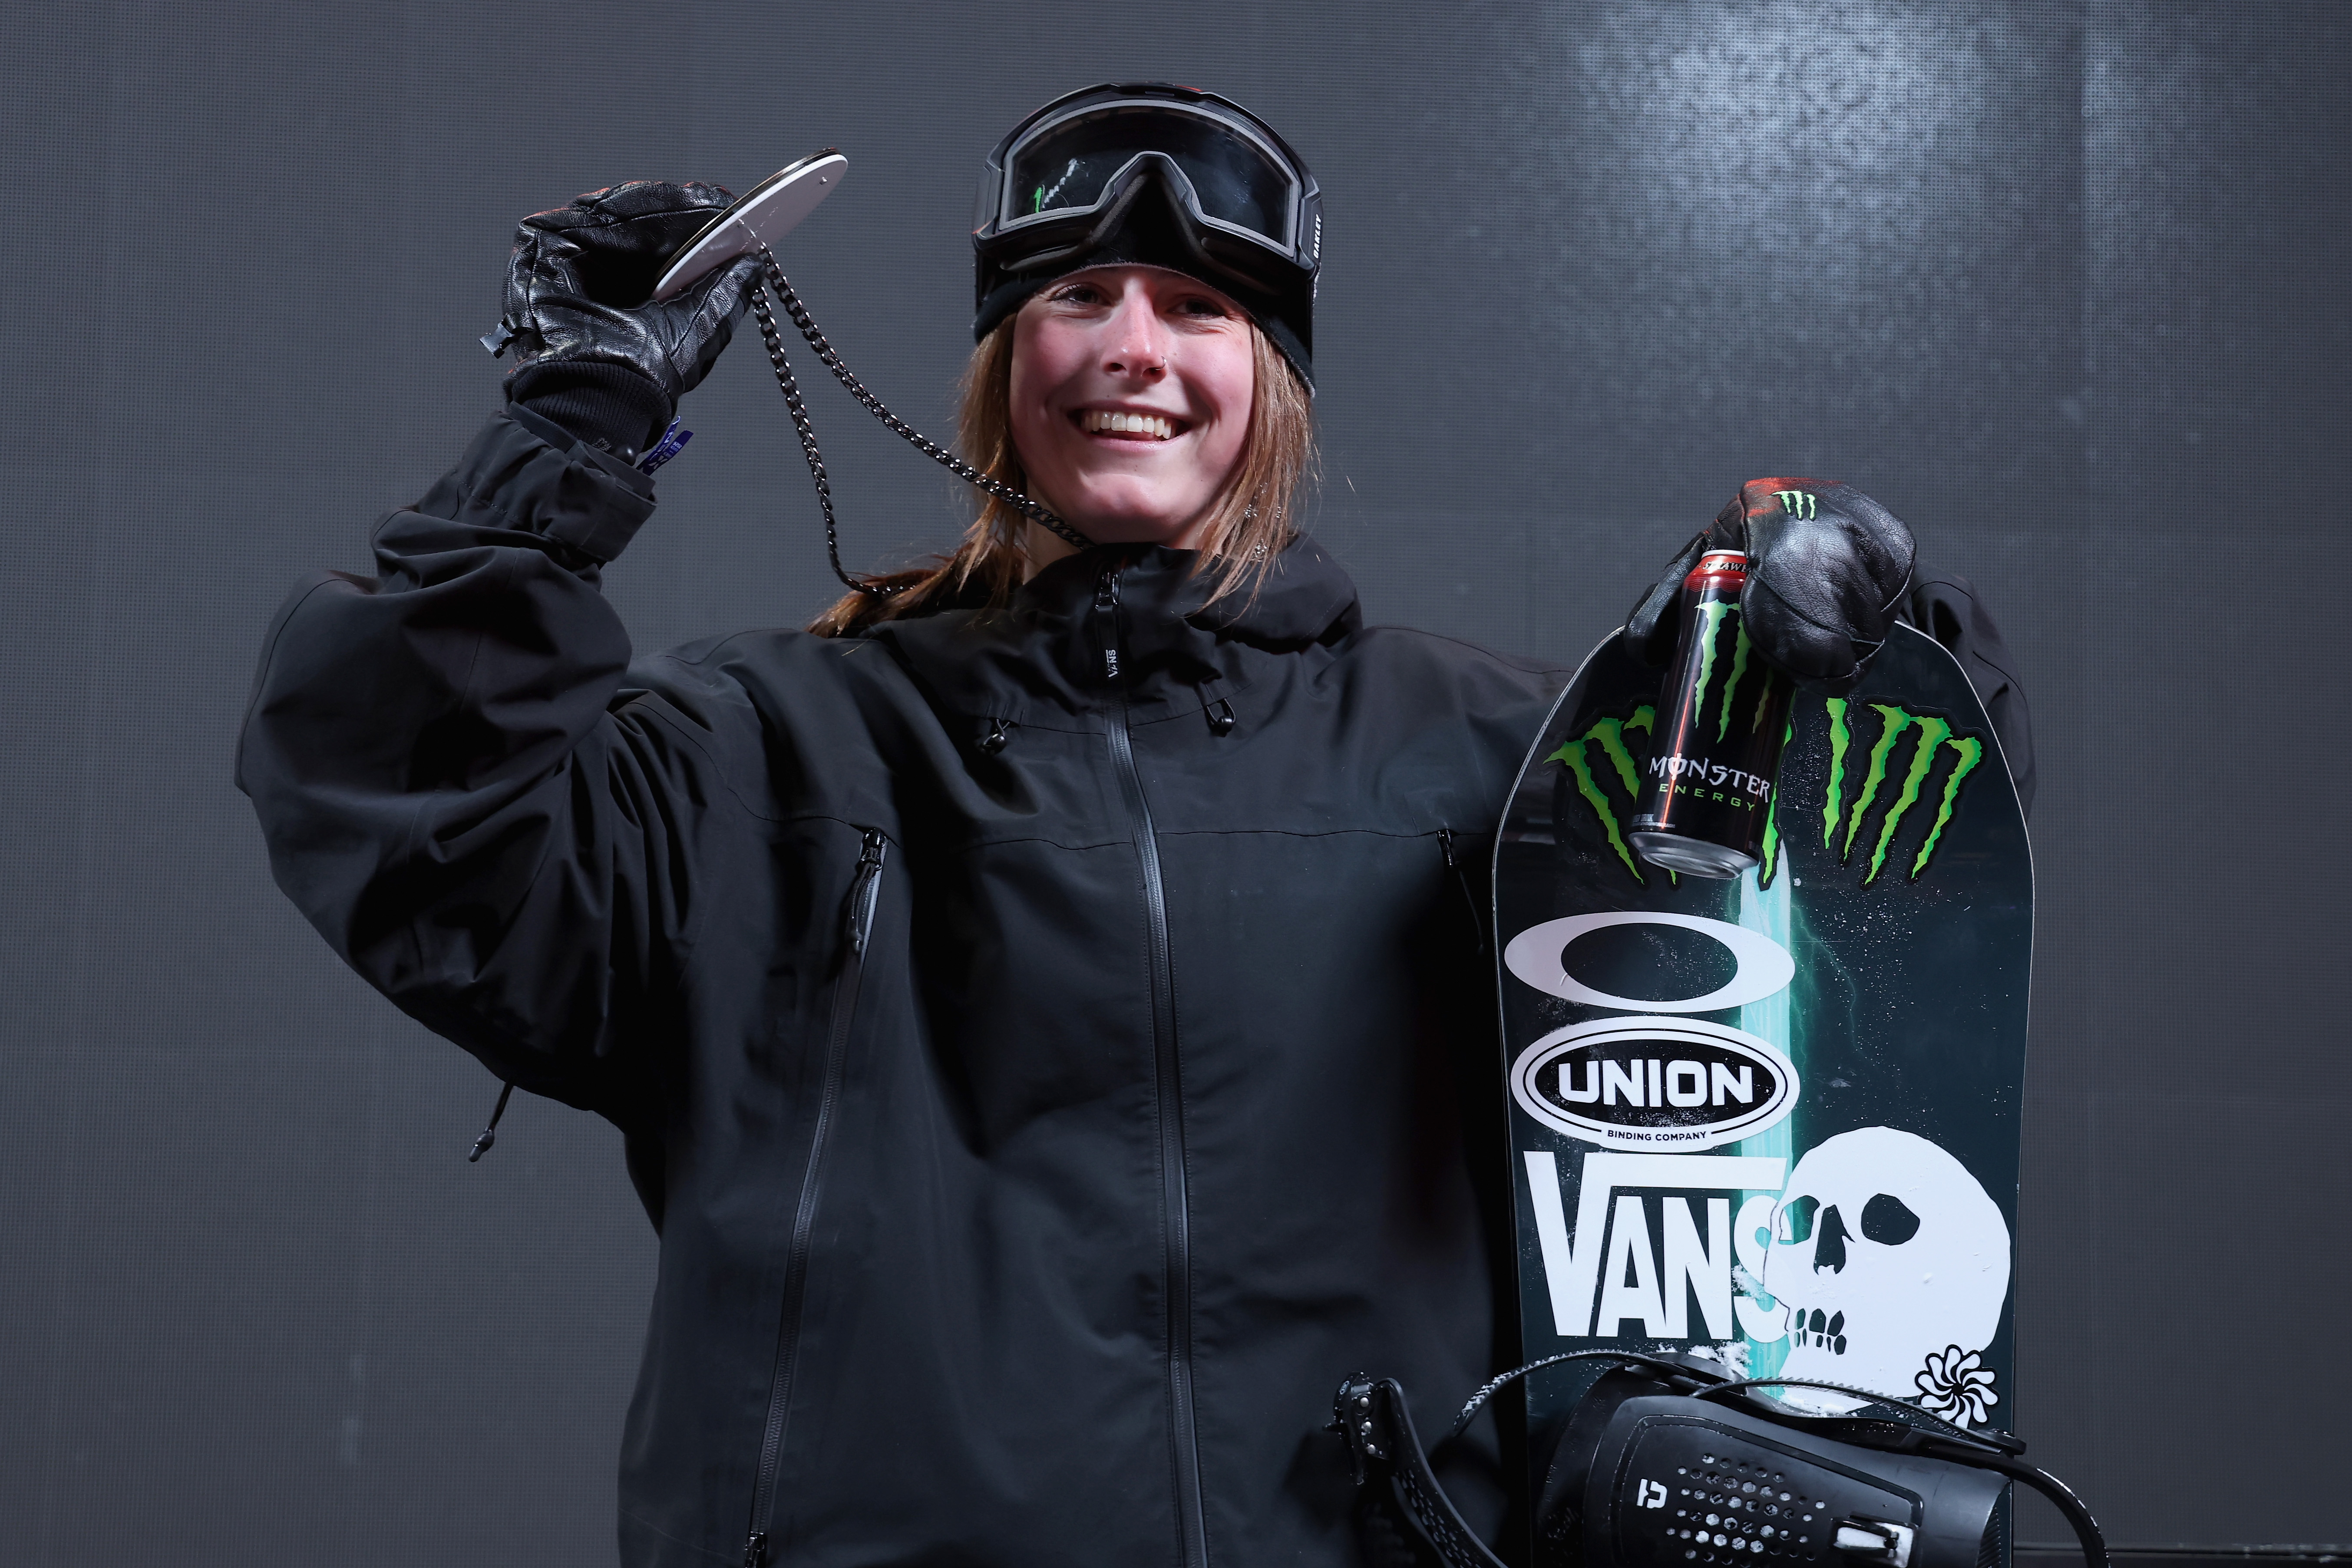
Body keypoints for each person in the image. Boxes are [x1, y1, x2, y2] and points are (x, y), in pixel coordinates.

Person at [238, 83, 2031, 1568]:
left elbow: (1868, 906)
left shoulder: (1485, 758)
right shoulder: (772, 753)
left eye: (1197, 308)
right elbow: (413, 802)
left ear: (1274, 382)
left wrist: (1838, 646)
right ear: (998, 365)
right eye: (1073, 299)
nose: (1131, 350)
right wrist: (576, 420)